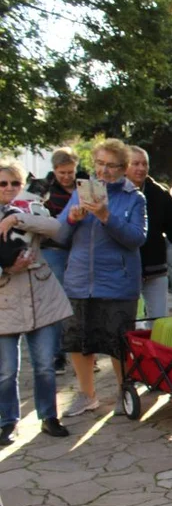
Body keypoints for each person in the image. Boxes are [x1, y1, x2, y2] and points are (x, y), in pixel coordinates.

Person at [56, 138, 147, 418]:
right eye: (100, 164)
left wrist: (107, 216)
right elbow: (58, 235)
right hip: (80, 280)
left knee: (118, 343)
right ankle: (87, 395)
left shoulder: (134, 198)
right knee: (78, 341)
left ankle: (124, 392)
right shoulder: (79, 192)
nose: (105, 171)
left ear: (124, 168)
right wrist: (71, 218)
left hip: (117, 283)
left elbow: (136, 238)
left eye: (112, 166)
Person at [0, 159, 71, 442]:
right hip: (5, 300)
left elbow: (56, 228)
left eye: (15, 183)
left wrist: (16, 218)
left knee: (44, 365)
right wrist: (7, 269)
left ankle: (48, 417)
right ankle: (8, 421)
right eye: (2, 183)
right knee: (5, 371)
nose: (9, 188)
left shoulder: (31, 208)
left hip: (41, 298)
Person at [32, 147, 87, 373]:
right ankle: (58, 355)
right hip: (53, 249)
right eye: (61, 172)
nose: (66, 177)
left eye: (70, 172)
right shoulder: (43, 189)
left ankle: (82, 354)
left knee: (78, 303)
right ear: (54, 170)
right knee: (58, 302)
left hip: (80, 249)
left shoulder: (85, 186)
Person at [127, 147, 172, 320]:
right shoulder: (115, 193)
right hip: (125, 269)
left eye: (144, 164)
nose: (141, 168)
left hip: (155, 267)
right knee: (128, 320)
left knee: (158, 321)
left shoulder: (158, 194)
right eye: (135, 163)